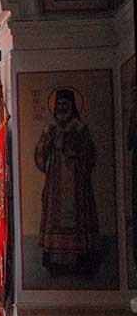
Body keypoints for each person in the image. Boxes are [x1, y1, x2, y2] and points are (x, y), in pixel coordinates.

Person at [34, 88, 98, 275]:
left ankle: (80, 260)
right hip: (56, 181)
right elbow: (40, 153)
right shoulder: (50, 128)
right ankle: (54, 261)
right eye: (59, 104)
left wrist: (76, 155)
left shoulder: (80, 128)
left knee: (77, 215)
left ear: (72, 106)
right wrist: (48, 151)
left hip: (76, 181)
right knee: (54, 215)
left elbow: (90, 153)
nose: (62, 108)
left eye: (65, 104)